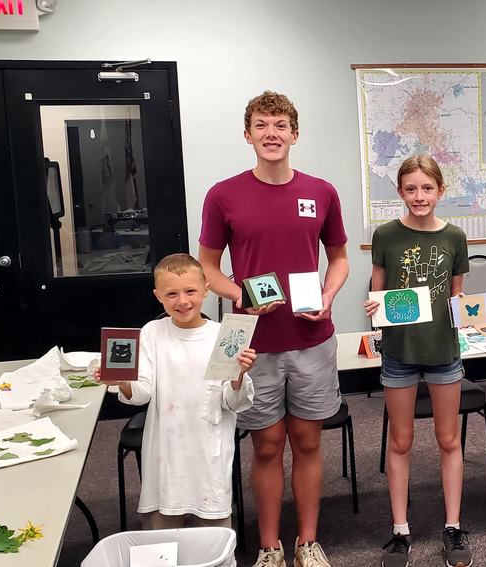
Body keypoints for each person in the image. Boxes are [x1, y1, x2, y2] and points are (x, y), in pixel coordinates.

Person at [198, 91, 348, 567]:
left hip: (311, 339)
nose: (271, 133)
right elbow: (207, 269)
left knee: (308, 442)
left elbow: (339, 259)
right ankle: (269, 548)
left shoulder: (321, 192)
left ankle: (307, 542)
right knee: (265, 447)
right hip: (249, 343)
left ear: (294, 134)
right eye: (261, 125)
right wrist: (240, 295)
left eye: (280, 125)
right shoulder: (223, 195)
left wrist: (327, 296)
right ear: (248, 135)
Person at [363, 153, 472, 567]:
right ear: (399, 192)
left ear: (440, 190)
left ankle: (453, 526)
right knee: (401, 440)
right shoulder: (386, 235)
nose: (419, 196)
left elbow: (457, 294)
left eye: (427, 188)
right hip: (399, 352)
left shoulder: (455, 237)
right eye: (411, 189)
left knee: (449, 439)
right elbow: (377, 291)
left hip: (443, 350)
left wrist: (467, 309)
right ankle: (400, 530)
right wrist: (374, 308)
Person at [98, 253, 256, 530]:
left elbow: (233, 402)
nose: (182, 301)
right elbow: (143, 392)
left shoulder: (225, 335)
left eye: (190, 291)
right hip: (166, 452)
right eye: (171, 294)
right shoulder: (152, 333)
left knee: (213, 534)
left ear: (206, 289)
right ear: (158, 296)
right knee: (162, 536)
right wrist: (122, 381)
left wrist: (239, 375)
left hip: (209, 450)